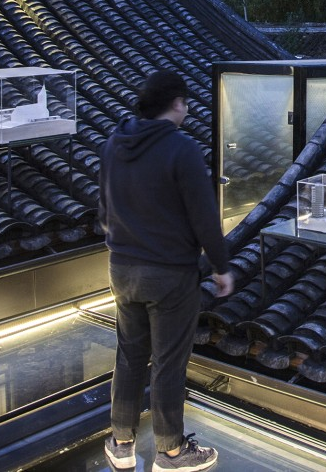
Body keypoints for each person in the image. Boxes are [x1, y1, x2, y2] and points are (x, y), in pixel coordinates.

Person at [99, 70, 234, 472]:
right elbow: (204, 216)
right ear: (176, 103)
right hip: (170, 274)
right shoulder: (181, 149)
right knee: (168, 362)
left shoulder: (114, 143)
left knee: (129, 355)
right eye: (186, 103)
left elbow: (104, 211)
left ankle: (120, 443)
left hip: (121, 268)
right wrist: (221, 266)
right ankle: (171, 452)